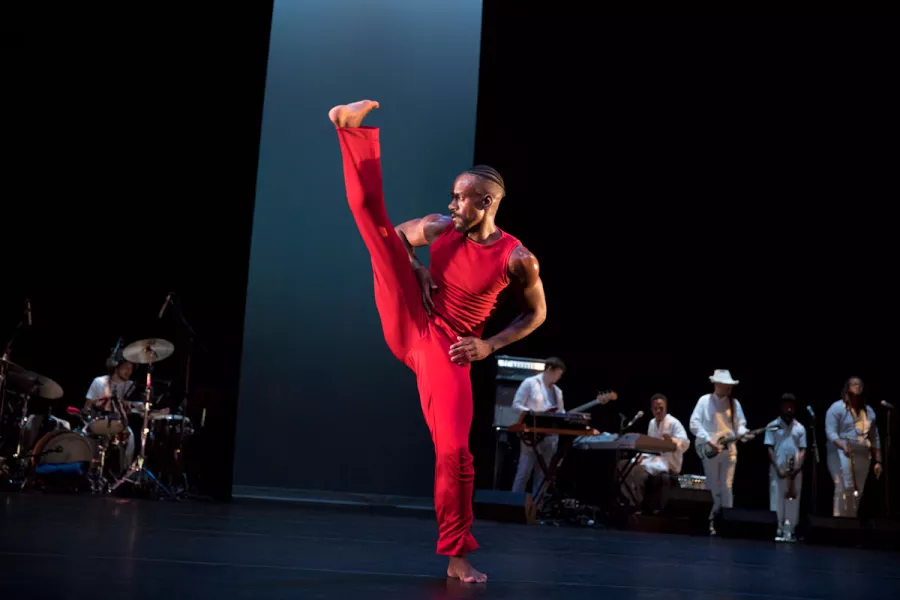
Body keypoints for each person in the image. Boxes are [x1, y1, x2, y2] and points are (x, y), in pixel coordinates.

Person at [329, 100, 546, 583]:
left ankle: (456, 554)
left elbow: (537, 313)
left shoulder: (518, 258)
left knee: (454, 452)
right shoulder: (441, 227)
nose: (452, 205)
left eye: (462, 199)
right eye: (451, 196)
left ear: (487, 202)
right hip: (410, 318)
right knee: (374, 226)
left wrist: (489, 345)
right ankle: (349, 131)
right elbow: (401, 239)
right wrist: (419, 267)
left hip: (448, 348)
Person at [689, 369, 749, 533]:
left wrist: (744, 434)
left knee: (727, 487)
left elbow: (740, 425)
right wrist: (709, 440)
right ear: (717, 384)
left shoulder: (734, 404)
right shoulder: (704, 401)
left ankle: (727, 521)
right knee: (713, 487)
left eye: (729, 385)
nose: (728, 388)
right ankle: (711, 521)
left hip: (729, 450)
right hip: (711, 449)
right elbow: (694, 424)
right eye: (725, 384)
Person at [825, 376, 882, 518]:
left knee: (857, 491)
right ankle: (839, 523)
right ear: (847, 388)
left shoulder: (869, 412)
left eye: (860, 385)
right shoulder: (837, 408)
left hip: (862, 454)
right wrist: (842, 446)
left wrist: (878, 461)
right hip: (840, 451)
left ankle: (850, 523)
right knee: (843, 487)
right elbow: (830, 432)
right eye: (854, 384)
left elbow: (875, 438)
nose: (858, 387)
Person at [621, 393, 690, 509]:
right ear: (651, 409)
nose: (658, 411)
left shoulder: (674, 423)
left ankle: (636, 504)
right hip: (654, 459)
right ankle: (628, 500)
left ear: (666, 408)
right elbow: (650, 446)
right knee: (624, 465)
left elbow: (686, 443)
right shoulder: (652, 423)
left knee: (638, 470)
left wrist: (672, 440)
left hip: (669, 463)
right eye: (655, 408)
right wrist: (642, 456)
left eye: (661, 408)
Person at [510, 357, 565, 498]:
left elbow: (560, 413)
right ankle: (514, 503)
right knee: (524, 470)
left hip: (550, 436)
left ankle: (536, 507)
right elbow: (516, 405)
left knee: (543, 473)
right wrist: (533, 413)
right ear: (549, 369)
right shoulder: (530, 383)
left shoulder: (557, 392)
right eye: (557, 374)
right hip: (531, 433)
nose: (558, 378)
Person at [764, 393, 806, 541]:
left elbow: (802, 449)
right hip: (778, 469)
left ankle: (791, 530)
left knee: (793, 500)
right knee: (777, 499)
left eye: (791, 406)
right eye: (786, 405)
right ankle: (778, 529)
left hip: (794, 471)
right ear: (781, 407)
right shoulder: (772, 426)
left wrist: (797, 467)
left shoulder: (800, 428)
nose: (789, 408)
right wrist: (778, 468)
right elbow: (769, 448)